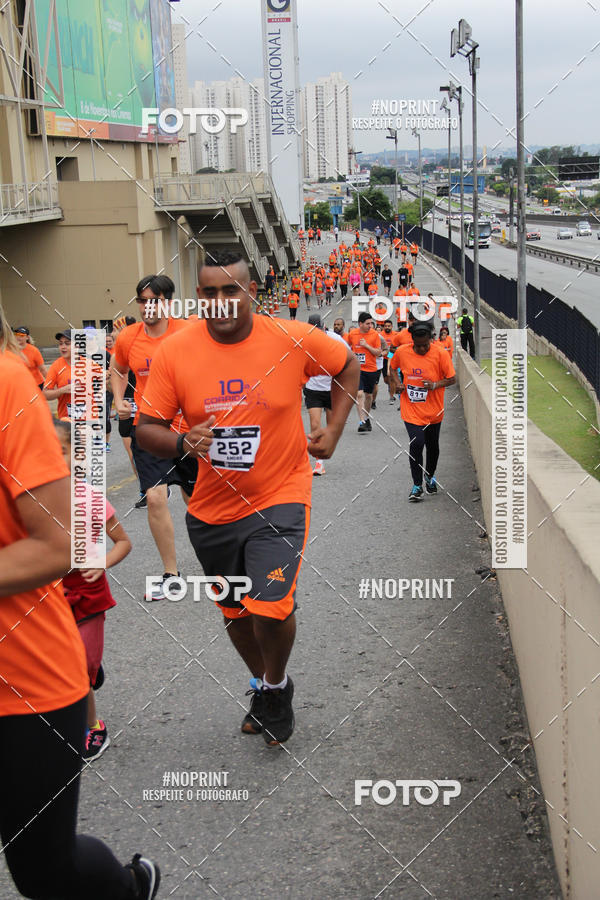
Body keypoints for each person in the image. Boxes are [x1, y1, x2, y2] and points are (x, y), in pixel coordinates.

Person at [136, 248, 359, 746]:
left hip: (280, 494)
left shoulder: (290, 337)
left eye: (230, 290)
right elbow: (145, 428)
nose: (220, 301)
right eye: (209, 292)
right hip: (211, 507)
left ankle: (276, 685)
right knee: (236, 614)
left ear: (250, 291)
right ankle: (265, 686)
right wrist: (181, 441)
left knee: (271, 603)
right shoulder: (175, 353)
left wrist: (336, 427)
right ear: (199, 296)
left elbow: (349, 365)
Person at [0, 303, 160, 900]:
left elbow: (61, 543)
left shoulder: (8, 379)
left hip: (22, 681)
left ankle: (127, 886)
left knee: (44, 870)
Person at [110, 274, 198, 601]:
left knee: (198, 502)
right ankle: (171, 575)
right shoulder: (129, 338)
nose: (148, 306)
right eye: (143, 301)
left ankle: (225, 562)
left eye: (155, 300)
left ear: (168, 303)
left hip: (189, 430)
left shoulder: (188, 331)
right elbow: (118, 369)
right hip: (148, 429)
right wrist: (119, 400)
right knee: (156, 498)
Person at [54, 420, 130, 761]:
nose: (55, 459)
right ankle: (85, 674)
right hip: (49, 597)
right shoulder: (27, 502)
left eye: (63, 452)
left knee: (79, 669)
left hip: (87, 594)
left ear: (76, 456)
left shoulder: (90, 499)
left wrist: (101, 562)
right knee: (65, 667)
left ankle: (94, 727)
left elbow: (123, 542)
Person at [390, 320, 456, 502]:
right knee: (417, 443)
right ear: (412, 341)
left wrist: (435, 385)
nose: (421, 349)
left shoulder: (440, 353)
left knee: (433, 447)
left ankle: (430, 475)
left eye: (425, 345)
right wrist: (397, 383)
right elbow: (392, 367)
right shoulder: (403, 351)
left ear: (431, 340)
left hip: (434, 410)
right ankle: (417, 485)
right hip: (411, 409)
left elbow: (452, 379)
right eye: (418, 346)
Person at [303, 314, 348, 475]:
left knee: (330, 427)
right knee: (315, 425)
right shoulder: (304, 339)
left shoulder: (335, 339)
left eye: (318, 330)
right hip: (313, 389)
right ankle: (319, 463)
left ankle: (324, 452)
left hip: (332, 389)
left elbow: (349, 359)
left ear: (323, 328)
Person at [346, 312, 382, 433]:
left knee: (368, 396)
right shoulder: (352, 334)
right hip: (357, 370)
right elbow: (346, 347)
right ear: (360, 323)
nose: (370, 325)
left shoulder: (374, 335)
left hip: (371, 369)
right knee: (359, 394)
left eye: (371, 323)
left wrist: (366, 346)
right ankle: (361, 421)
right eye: (367, 323)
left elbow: (378, 353)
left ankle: (366, 418)